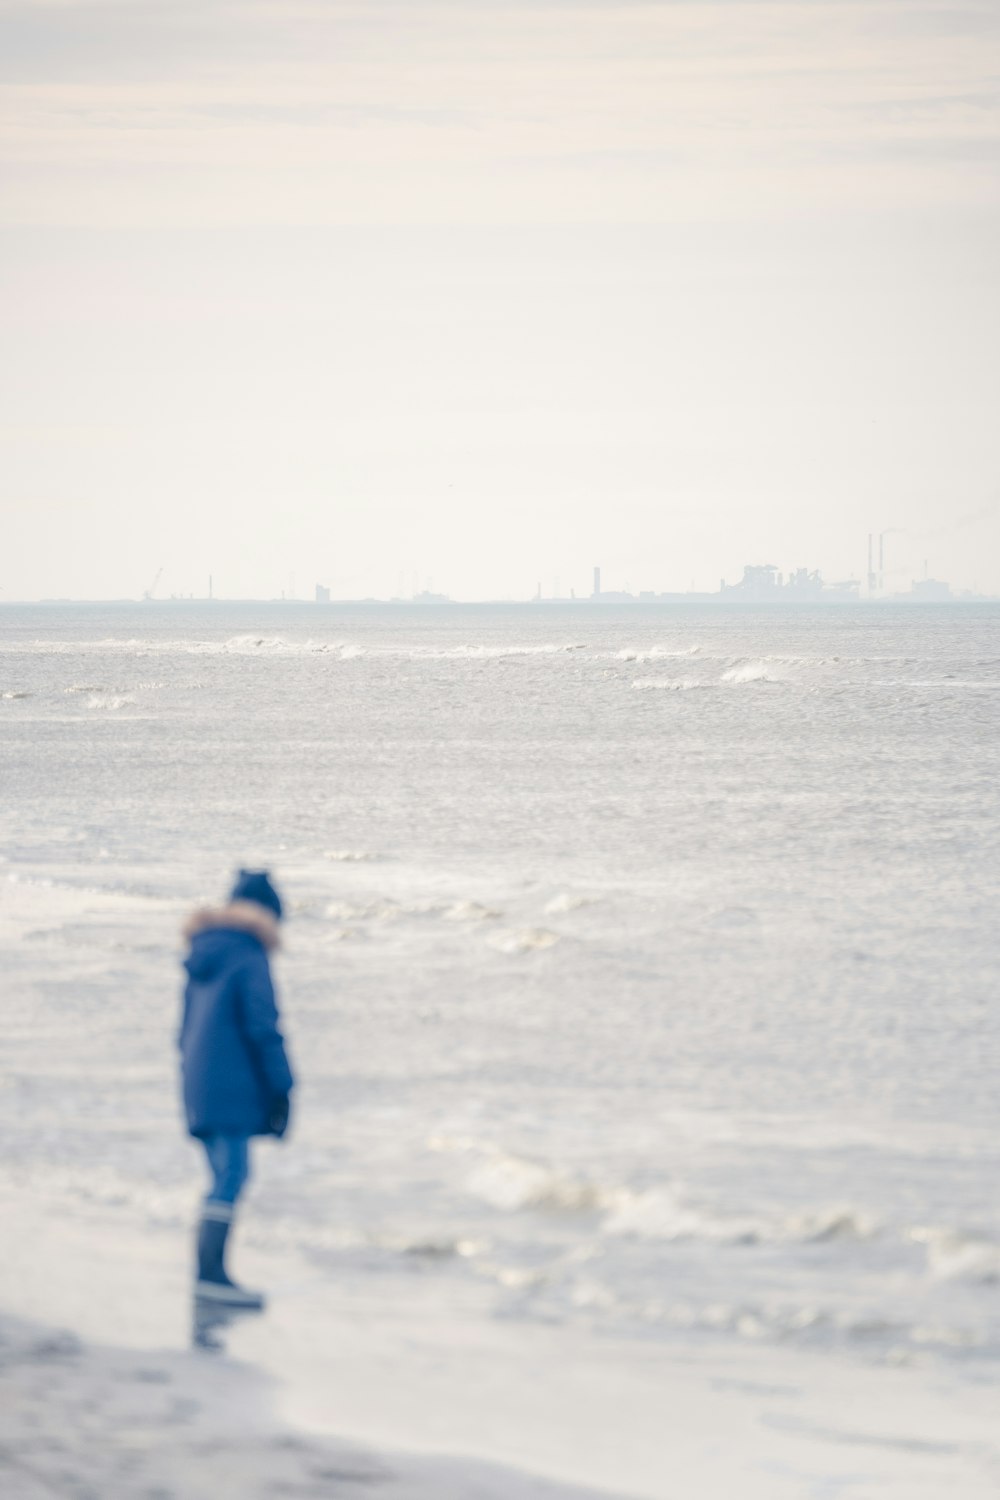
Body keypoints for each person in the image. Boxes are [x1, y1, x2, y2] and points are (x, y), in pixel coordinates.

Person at [179, 869, 295, 1308]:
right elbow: (264, 1027)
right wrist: (283, 1086)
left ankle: (211, 1274)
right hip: (233, 1084)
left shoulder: (202, 953)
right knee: (232, 1176)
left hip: (198, 1082)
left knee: (222, 1176)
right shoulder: (249, 954)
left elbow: (182, 1030)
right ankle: (211, 1276)